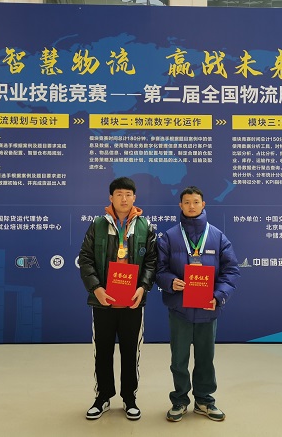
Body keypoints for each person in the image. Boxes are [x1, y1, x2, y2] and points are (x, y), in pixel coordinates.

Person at [156, 186, 240, 423]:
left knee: (205, 359)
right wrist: (171, 282)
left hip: (207, 309)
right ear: (180, 206)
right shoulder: (169, 237)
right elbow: (159, 270)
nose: (191, 206)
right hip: (179, 309)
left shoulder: (218, 236)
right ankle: (180, 401)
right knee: (179, 360)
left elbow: (231, 271)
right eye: (187, 202)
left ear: (203, 205)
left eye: (195, 202)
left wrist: (219, 296)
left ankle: (204, 401)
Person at [78, 177, 158, 421]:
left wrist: (143, 288)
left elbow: (152, 261)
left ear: (135, 198)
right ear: (111, 198)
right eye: (119, 194)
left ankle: (129, 399)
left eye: (128, 194)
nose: (124, 199)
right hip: (104, 301)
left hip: (132, 302)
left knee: (130, 352)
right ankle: (102, 397)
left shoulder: (145, 226)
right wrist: (97, 289)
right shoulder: (98, 225)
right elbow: (85, 259)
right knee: (102, 351)